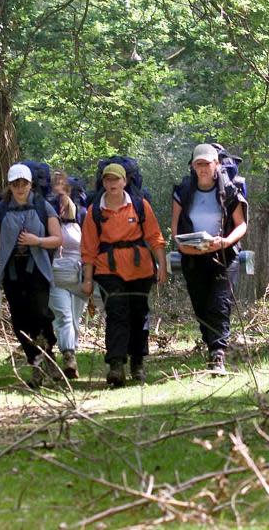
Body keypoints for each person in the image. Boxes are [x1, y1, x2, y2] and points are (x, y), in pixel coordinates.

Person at [81, 163, 167, 387]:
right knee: (117, 313)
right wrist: (88, 279)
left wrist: (163, 266)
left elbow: (155, 237)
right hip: (108, 270)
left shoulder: (139, 206)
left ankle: (137, 362)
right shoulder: (95, 211)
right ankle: (116, 365)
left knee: (139, 315)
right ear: (103, 183)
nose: (112, 184)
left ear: (124, 182)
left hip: (140, 269)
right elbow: (88, 248)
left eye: (116, 180)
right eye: (108, 180)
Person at [0, 163, 63, 387]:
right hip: (12, 273)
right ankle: (35, 363)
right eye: (15, 184)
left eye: (24, 183)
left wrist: (37, 241)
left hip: (38, 270)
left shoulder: (43, 206)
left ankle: (49, 357)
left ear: (30, 184)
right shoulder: (1, 209)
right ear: (10, 185)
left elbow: (57, 238)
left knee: (40, 314)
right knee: (19, 321)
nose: (20, 187)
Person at [172, 143, 248, 374]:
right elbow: (175, 228)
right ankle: (211, 346)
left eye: (207, 163)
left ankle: (218, 353)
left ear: (216, 164)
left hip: (223, 256)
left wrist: (225, 242)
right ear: (193, 167)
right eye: (199, 164)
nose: (203, 168)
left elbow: (241, 225)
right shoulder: (183, 192)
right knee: (201, 306)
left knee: (219, 303)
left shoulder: (230, 191)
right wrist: (184, 248)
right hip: (193, 258)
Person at [47, 171, 87, 379]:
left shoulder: (82, 216)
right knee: (64, 316)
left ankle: (72, 350)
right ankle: (69, 355)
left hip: (79, 276)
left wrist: (90, 278)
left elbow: (90, 247)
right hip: (55, 275)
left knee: (75, 320)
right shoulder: (47, 217)